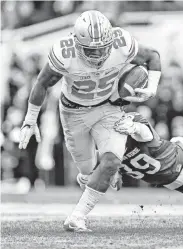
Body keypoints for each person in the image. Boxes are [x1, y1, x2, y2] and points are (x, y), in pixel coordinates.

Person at [18, 10, 161, 231]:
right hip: (73, 113)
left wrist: (151, 88)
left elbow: (153, 56)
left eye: (103, 48)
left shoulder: (121, 42)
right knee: (87, 172)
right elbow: (42, 83)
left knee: (112, 161)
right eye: (92, 50)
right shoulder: (65, 52)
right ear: (77, 43)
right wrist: (30, 119)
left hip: (108, 108)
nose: (99, 55)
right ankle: (95, 175)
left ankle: (77, 217)